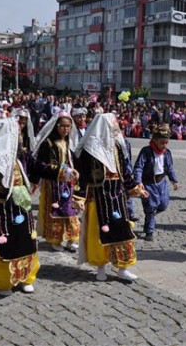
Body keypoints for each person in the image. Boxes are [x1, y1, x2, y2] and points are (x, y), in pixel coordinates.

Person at [0, 117, 78, 296]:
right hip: (4, 206)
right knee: (7, 241)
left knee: (27, 239)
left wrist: (64, 172)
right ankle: (4, 280)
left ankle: (26, 277)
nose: (20, 136)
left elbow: (40, 167)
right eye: (16, 133)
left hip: (23, 203)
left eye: (19, 132)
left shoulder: (21, 155)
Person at [74, 113, 149, 281]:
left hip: (117, 197)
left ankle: (123, 267)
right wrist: (79, 197)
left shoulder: (117, 147)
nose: (116, 129)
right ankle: (100, 267)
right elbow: (83, 176)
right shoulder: (89, 150)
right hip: (97, 198)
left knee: (123, 232)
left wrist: (135, 188)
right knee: (98, 234)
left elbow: (125, 173)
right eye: (113, 126)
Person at [33, 111, 81, 252]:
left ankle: (72, 237)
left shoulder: (67, 142)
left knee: (70, 210)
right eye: (62, 126)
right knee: (56, 211)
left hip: (66, 184)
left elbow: (69, 162)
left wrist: (73, 171)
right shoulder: (47, 144)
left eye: (68, 126)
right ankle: (56, 238)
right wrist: (62, 171)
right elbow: (41, 165)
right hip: (53, 183)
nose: (65, 129)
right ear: (56, 126)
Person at [133, 124, 179, 242]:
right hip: (149, 184)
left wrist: (174, 180)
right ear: (155, 140)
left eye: (166, 143)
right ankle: (149, 231)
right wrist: (138, 182)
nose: (164, 145)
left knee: (163, 205)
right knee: (151, 207)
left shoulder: (167, 153)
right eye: (162, 142)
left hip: (161, 183)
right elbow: (138, 167)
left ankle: (150, 216)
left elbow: (169, 168)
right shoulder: (146, 151)